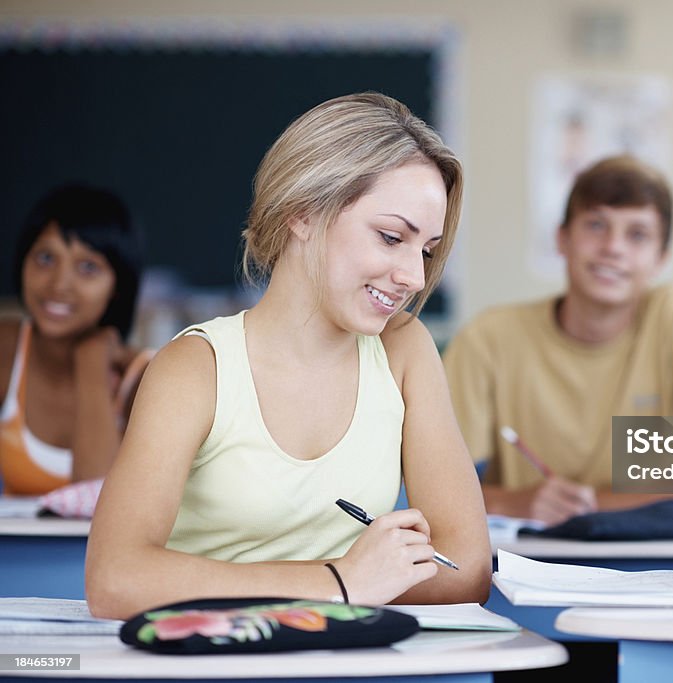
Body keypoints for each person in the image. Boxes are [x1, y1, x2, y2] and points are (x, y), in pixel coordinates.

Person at [86, 93, 491, 619]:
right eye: (392, 237)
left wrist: (350, 584)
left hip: (349, 665)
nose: (415, 277)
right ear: (303, 212)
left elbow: (465, 567)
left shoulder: (404, 349)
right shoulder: (195, 367)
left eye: (427, 250)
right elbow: (115, 580)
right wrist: (339, 583)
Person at [443, 155, 673, 526]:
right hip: (525, 557)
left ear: (661, 259)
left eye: (637, 234)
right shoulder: (488, 338)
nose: (613, 247)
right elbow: (434, 491)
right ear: (562, 238)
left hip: (651, 558)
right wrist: (518, 501)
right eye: (596, 225)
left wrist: (589, 504)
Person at [0, 184, 149, 495]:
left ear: (118, 287)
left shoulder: (141, 377)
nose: (59, 284)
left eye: (87, 267)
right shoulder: (8, 347)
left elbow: (95, 495)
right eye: (45, 257)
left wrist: (91, 362)